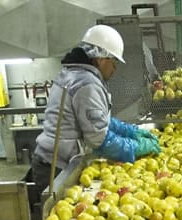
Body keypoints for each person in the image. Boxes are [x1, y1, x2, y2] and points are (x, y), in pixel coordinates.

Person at [29, 24, 160, 209]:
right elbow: (99, 139)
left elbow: (100, 121)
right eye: (113, 61)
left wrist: (131, 131)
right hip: (56, 168)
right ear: (100, 58)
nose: (114, 68)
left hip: (54, 160)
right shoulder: (86, 83)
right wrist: (135, 147)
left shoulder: (76, 74)